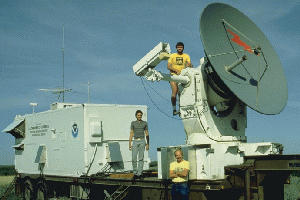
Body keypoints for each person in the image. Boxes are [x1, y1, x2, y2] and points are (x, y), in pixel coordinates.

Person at [167, 42, 192, 115]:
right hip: (173, 76)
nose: (180, 48)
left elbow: (189, 64)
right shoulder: (172, 56)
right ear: (176, 48)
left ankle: (181, 108)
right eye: (178, 47)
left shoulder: (186, 56)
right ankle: (174, 109)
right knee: (175, 91)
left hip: (182, 76)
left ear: (183, 48)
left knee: (181, 93)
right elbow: (168, 66)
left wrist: (189, 65)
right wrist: (176, 70)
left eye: (181, 47)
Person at [129, 110, 149, 179]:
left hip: (142, 141)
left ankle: (140, 174)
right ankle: (135, 173)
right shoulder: (133, 123)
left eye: (140, 115)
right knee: (134, 158)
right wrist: (130, 143)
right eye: (138, 115)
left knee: (141, 158)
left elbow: (147, 134)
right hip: (135, 141)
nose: (139, 116)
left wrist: (147, 144)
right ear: (136, 116)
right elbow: (131, 133)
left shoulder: (145, 123)